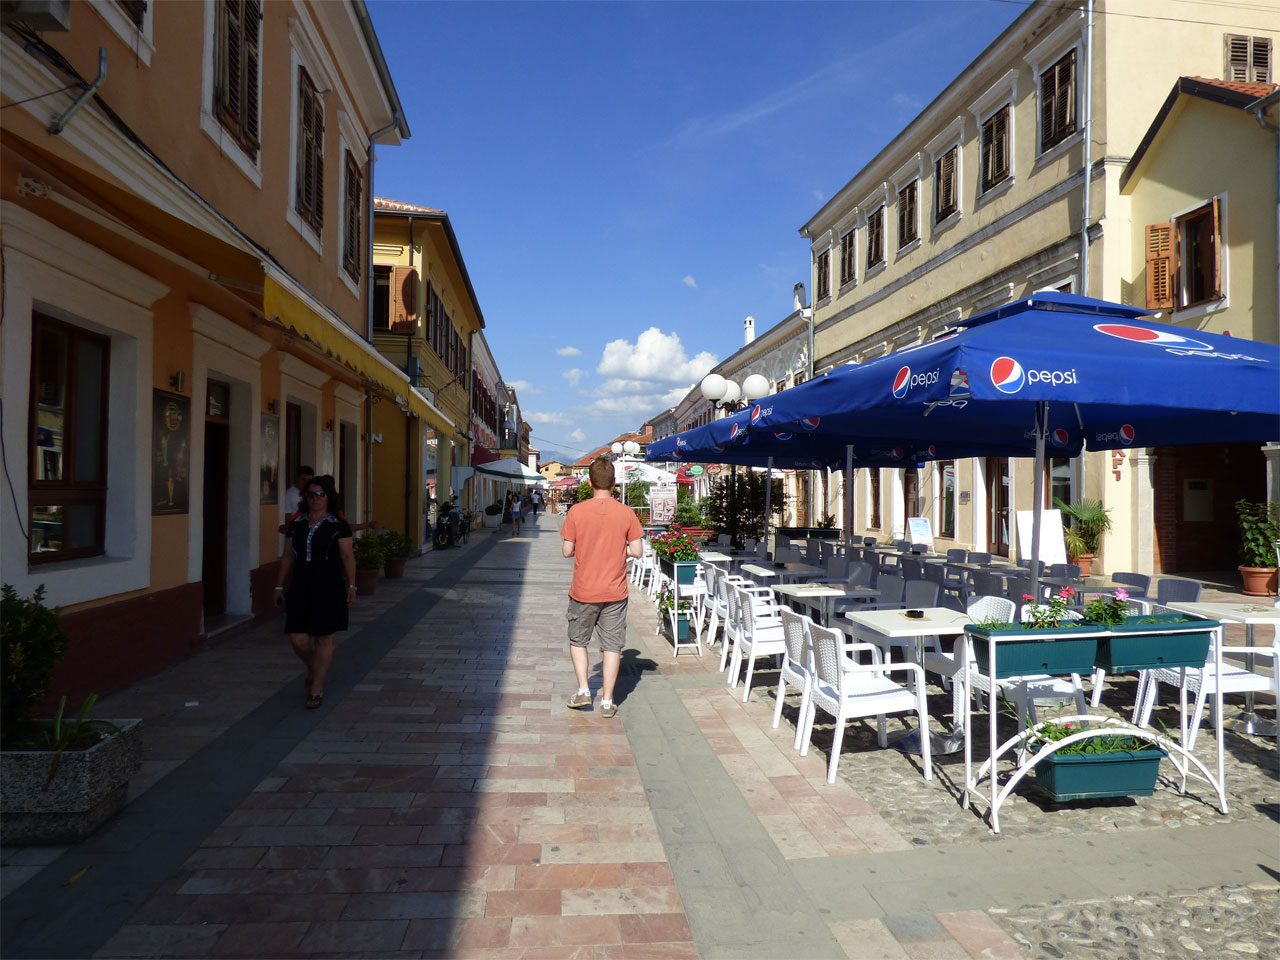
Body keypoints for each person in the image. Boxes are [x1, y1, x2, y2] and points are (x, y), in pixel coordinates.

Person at [561, 457, 643, 718]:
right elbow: (638, 551)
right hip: (615, 592)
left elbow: (567, 551)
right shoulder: (626, 512)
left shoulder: (577, 512)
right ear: (614, 483)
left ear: (589, 481)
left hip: (584, 590)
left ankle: (584, 690)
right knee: (612, 647)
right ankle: (607, 702)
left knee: (578, 640)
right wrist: (620, 549)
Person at [274, 474, 355, 709]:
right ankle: (314, 668)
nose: (315, 499)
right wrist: (279, 585)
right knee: (298, 639)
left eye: (320, 494)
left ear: (329, 498)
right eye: (311, 495)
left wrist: (351, 585)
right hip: (300, 584)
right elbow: (288, 556)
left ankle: (317, 686)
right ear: (305, 497)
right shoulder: (297, 525)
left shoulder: (337, 525)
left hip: (329, 586)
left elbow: (348, 557)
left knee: (323, 636)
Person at [278, 465, 314, 535]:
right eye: (303, 479)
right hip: (298, 532)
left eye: (309, 480)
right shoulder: (290, 494)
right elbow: (288, 515)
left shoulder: (312, 493)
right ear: (297, 478)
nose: (306, 483)